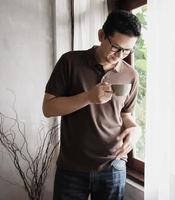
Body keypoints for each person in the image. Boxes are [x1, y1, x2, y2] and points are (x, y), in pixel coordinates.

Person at [42, 10, 141, 200]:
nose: (120, 55)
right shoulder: (70, 62)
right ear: (102, 35)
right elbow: (48, 108)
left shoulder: (131, 75)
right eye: (116, 47)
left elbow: (126, 115)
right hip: (72, 168)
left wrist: (136, 130)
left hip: (113, 166)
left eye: (128, 50)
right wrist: (88, 97)